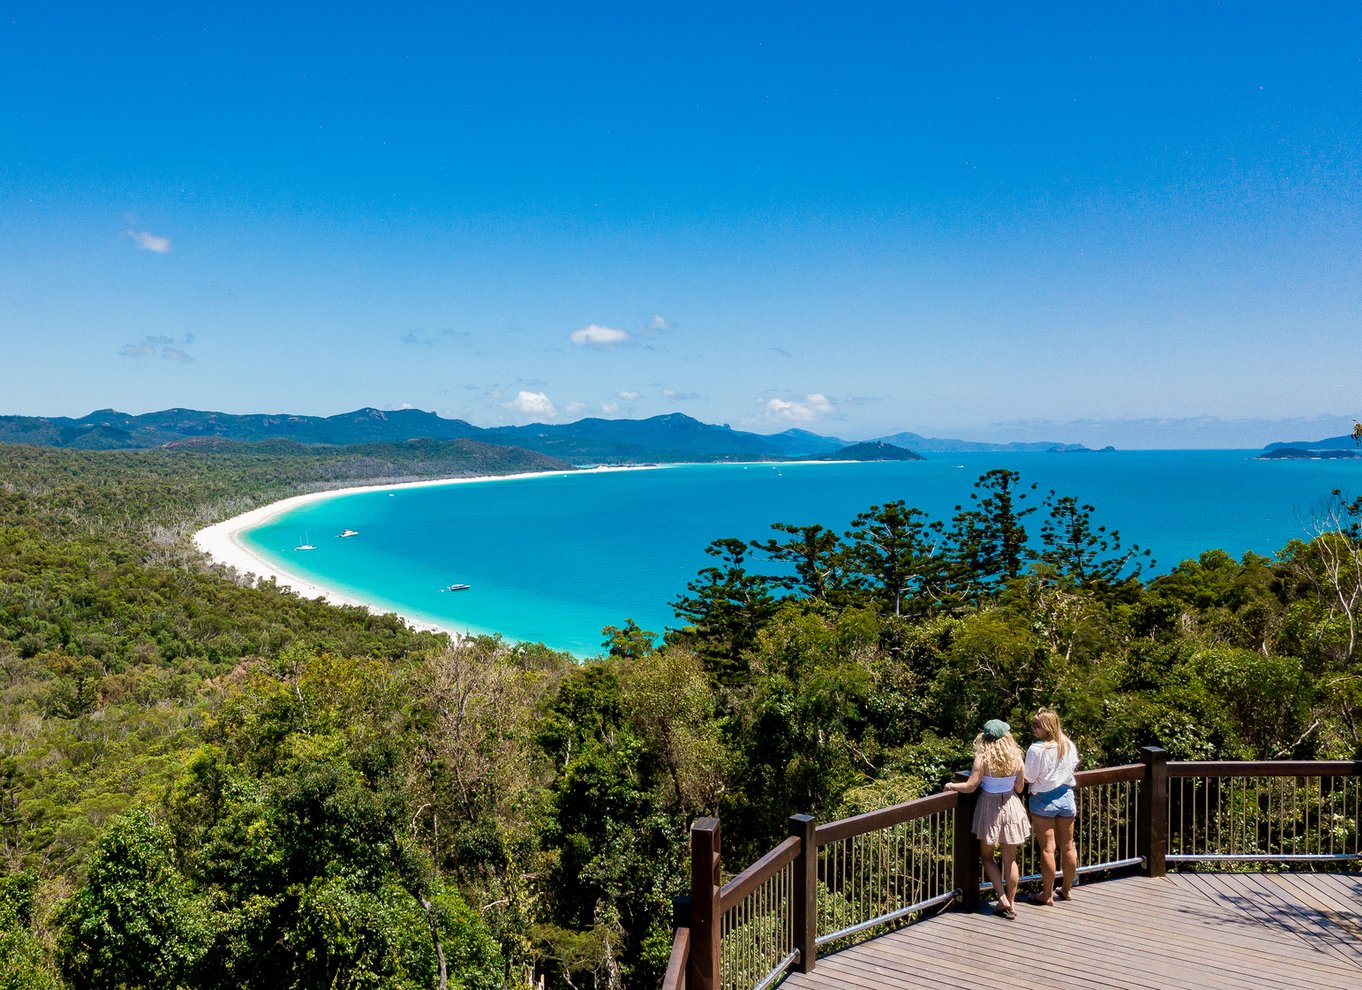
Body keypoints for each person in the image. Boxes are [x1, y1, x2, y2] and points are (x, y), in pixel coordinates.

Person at [945, 718, 1030, 919]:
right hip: (1010, 804)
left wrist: (952, 785)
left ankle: (1001, 897)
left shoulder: (982, 758)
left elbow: (971, 785)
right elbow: (1019, 788)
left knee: (987, 856)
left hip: (988, 807)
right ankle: (1012, 903)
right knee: (1011, 860)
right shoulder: (1016, 757)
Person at [1022, 707, 1079, 905]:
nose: (1033, 728)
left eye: (1037, 725)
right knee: (1068, 846)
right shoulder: (1068, 744)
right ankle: (1066, 889)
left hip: (1043, 799)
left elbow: (1028, 777)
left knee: (1047, 849)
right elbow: (1073, 766)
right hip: (1066, 795)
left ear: (1047, 727)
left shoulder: (1036, 749)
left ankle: (1046, 895)